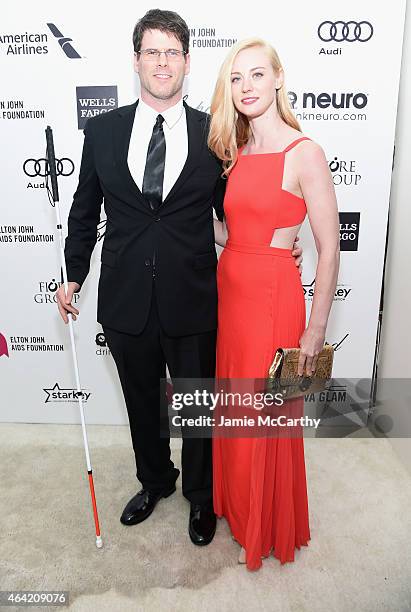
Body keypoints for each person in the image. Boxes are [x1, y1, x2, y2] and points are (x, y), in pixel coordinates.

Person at [55, 11, 303, 548]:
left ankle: (200, 497)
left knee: (196, 404)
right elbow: (83, 209)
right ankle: (154, 482)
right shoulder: (102, 130)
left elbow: (233, 208)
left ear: (187, 63)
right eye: (152, 51)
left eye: (172, 52)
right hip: (125, 298)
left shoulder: (214, 134)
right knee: (141, 400)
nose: (162, 62)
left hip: (193, 297)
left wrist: (275, 239)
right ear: (137, 59)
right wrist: (73, 274)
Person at [209, 38, 340, 569]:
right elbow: (232, 233)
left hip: (272, 299)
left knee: (263, 415)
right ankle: (238, 509)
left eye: (257, 75)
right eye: (237, 78)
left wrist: (315, 328)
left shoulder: (303, 152)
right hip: (231, 293)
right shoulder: (237, 153)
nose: (246, 87)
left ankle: (263, 522)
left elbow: (329, 247)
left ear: (279, 78)